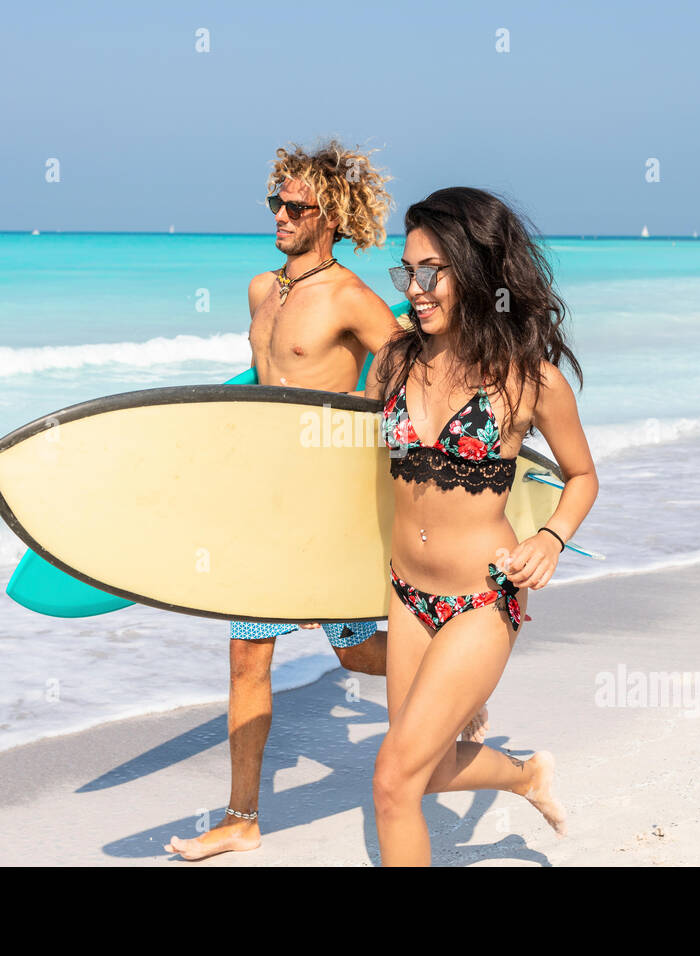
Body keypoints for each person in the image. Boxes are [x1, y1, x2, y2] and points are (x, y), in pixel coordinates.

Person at [164, 142, 488, 861]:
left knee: (352, 655)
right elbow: (260, 384)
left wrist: (366, 407)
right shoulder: (260, 289)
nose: (279, 214)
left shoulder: (348, 297)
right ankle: (242, 817)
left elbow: (413, 356)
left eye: (295, 206)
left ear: (332, 215)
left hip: (320, 507)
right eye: (274, 201)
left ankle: (454, 687)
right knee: (248, 657)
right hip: (263, 501)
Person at [365, 186, 598, 866]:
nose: (415, 288)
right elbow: (346, 479)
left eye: (431, 271)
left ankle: (525, 776)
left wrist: (549, 538)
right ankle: (528, 776)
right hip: (406, 594)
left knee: (391, 780)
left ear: (474, 269)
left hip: (482, 596)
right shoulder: (394, 361)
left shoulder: (531, 381)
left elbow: (582, 476)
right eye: (406, 272)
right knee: (426, 770)